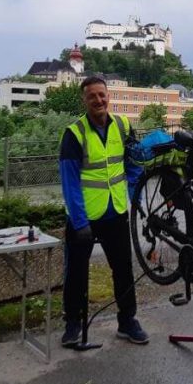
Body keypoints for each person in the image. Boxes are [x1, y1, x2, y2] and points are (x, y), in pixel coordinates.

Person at [59, 74, 148, 346]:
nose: (98, 100)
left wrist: (134, 196)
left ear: (108, 96)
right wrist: (79, 220)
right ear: (84, 101)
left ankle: (127, 321)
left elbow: (134, 165)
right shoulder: (74, 134)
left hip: (115, 211)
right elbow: (69, 181)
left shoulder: (122, 127)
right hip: (84, 215)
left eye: (102, 95)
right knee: (76, 272)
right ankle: (73, 324)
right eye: (92, 96)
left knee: (123, 269)